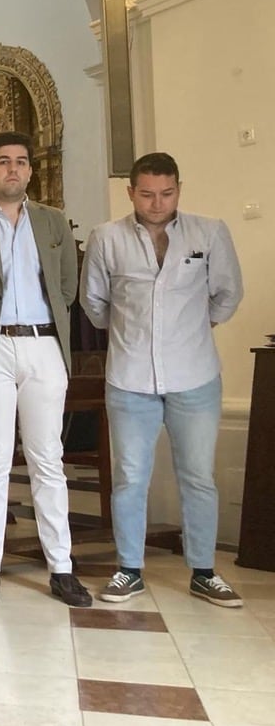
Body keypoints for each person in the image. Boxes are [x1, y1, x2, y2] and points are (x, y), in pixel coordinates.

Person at [80, 152, 244, 607]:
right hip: (130, 377)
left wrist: (190, 329)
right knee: (130, 476)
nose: (157, 203)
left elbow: (228, 294)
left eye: (167, 193)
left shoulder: (208, 232)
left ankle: (205, 571)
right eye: (148, 194)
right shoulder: (106, 238)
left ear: (179, 190)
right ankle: (128, 569)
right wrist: (136, 332)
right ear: (131, 191)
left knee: (198, 476)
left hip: (195, 375)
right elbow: (94, 303)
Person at [0, 131, 91, 608]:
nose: (13, 169)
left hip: (44, 344)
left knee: (48, 458)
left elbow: (67, 287)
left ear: (30, 170)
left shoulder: (50, 222)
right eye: (3, 161)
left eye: (21, 162)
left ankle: (62, 569)